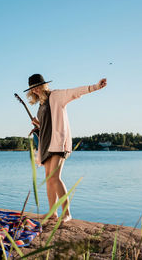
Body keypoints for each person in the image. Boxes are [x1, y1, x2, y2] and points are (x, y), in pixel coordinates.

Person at [24, 74, 107, 222]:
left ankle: (67, 213)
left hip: (58, 142)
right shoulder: (41, 105)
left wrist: (96, 86)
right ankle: (52, 212)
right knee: (49, 179)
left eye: (37, 86)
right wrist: (37, 126)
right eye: (32, 88)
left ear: (43, 85)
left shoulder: (56, 96)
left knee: (55, 177)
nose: (35, 89)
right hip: (47, 144)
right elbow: (47, 126)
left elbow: (75, 92)